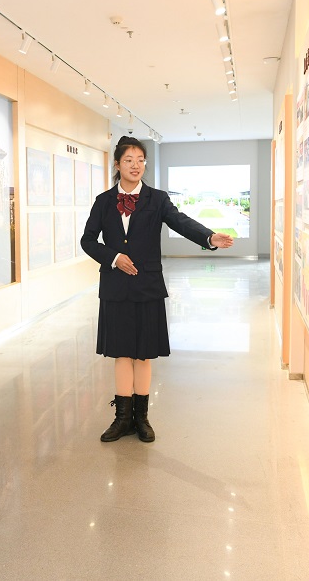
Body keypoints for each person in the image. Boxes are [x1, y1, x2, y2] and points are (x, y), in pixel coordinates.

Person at [80, 136, 234, 443]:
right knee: (121, 352)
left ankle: (142, 418)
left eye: (140, 160)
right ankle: (122, 419)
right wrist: (114, 257)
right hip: (115, 288)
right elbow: (88, 240)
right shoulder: (103, 201)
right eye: (129, 160)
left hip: (147, 286)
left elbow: (181, 222)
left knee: (143, 354)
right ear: (117, 164)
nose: (135, 165)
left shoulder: (157, 199)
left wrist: (208, 238)